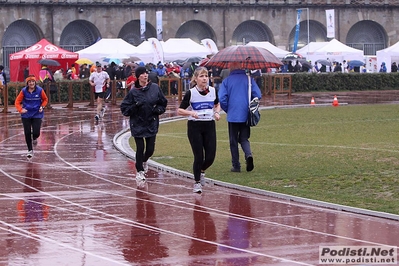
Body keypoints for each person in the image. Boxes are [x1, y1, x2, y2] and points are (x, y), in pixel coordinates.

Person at [177, 67, 221, 193]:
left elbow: (217, 104)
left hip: (209, 125)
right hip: (195, 126)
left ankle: (201, 171)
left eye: (206, 76)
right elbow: (180, 110)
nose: (204, 78)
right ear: (195, 79)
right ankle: (197, 183)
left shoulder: (212, 91)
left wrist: (217, 113)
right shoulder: (191, 93)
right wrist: (191, 113)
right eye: (201, 76)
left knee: (210, 157)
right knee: (199, 156)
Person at [120, 67, 168, 181]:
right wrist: (136, 105)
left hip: (151, 121)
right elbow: (124, 109)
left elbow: (163, 103)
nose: (145, 75)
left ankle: (145, 160)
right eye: (142, 74)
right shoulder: (133, 92)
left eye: (146, 73)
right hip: (137, 123)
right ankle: (139, 170)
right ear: (138, 77)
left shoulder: (155, 88)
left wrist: (159, 110)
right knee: (140, 148)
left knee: (150, 149)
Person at [218, 62, 261, 173]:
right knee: (244, 138)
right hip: (245, 113)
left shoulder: (226, 81)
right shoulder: (248, 79)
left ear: (231, 68)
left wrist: (228, 109)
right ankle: (248, 154)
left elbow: (222, 98)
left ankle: (236, 165)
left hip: (233, 114)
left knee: (233, 141)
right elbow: (258, 95)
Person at [14, 75, 48, 158]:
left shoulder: (40, 90)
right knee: (27, 132)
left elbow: (45, 99)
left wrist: (42, 107)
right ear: (27, 83)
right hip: (26, 114)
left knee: (36, 132)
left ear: (35, 82)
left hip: (37, 113)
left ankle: (35, 137)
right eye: (29, 82)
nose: (31, 83)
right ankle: (30, 150)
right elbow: (17, 102)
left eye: (33, 81)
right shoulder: (23, 91)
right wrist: (20, 110)